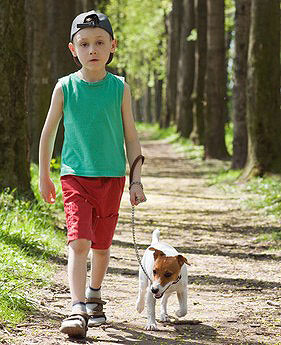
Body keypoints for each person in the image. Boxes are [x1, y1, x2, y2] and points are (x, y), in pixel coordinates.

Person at [39, 9, 146, 338]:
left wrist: (136, 179)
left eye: (100, 43)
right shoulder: (65, 88)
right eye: (84, 44)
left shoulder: (119, 89)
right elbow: (48, 134)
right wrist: (45, 175)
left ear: (113, 46)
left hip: (113, 178)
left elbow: (131, 136)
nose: (92, 50)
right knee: (79, 242)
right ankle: (75, 307)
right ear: (73, 50)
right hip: (75, 177)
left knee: (101, 246)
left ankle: (94, 297)